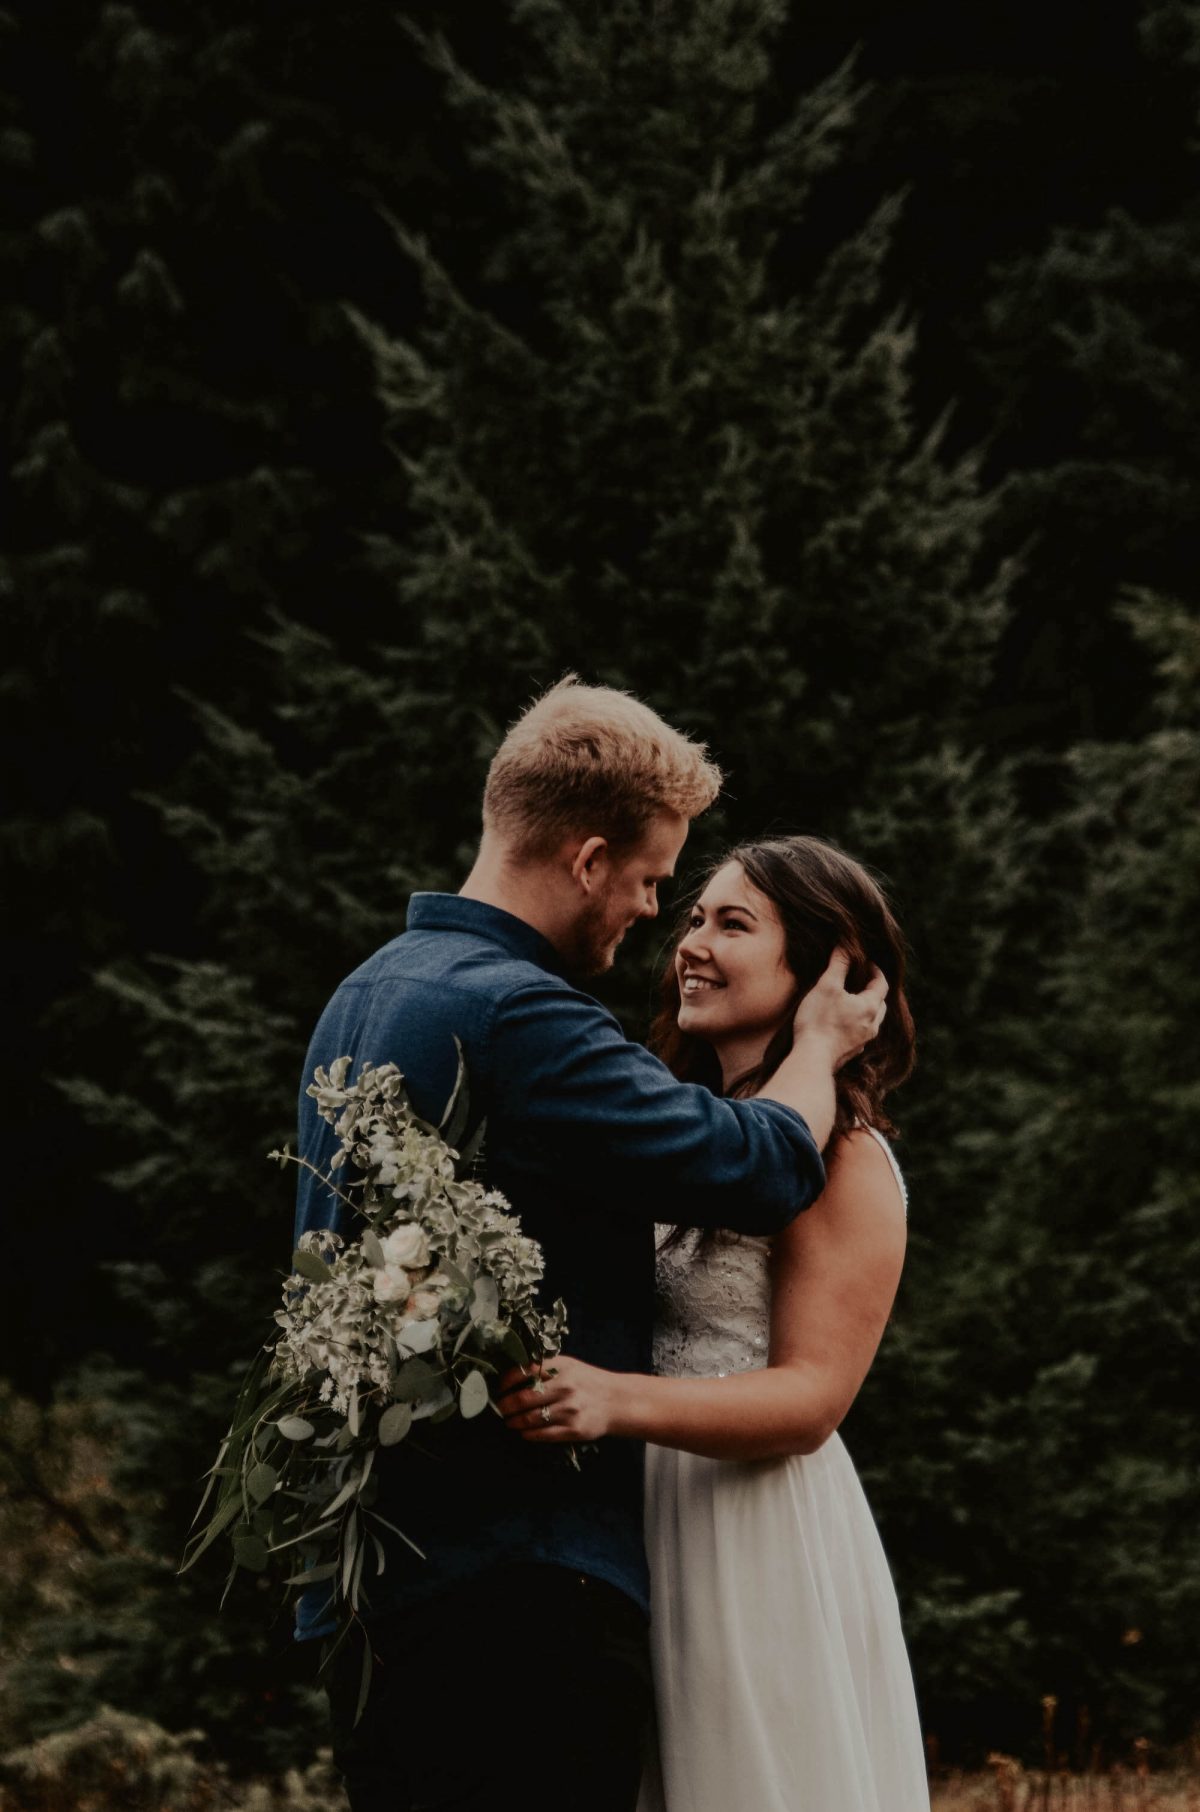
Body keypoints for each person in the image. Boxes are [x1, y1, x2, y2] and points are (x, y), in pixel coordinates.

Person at [295, 681, 888, 1812]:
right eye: (658, 883)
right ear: (587, 859)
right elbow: (759, 1168)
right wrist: (819, 1042)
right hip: (513, 1593)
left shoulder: (362, 996)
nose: (657, 920)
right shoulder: (524, 1014)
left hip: (382, 1580)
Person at [500, 835, 928, 1812]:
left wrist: (608, 1398)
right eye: (693, 917)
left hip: (754, 1528)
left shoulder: (848, 1160)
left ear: (831, 968)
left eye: (733, 924)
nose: (690, 941)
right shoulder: (685, 1130)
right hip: (642, 1521)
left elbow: (813, 1398)